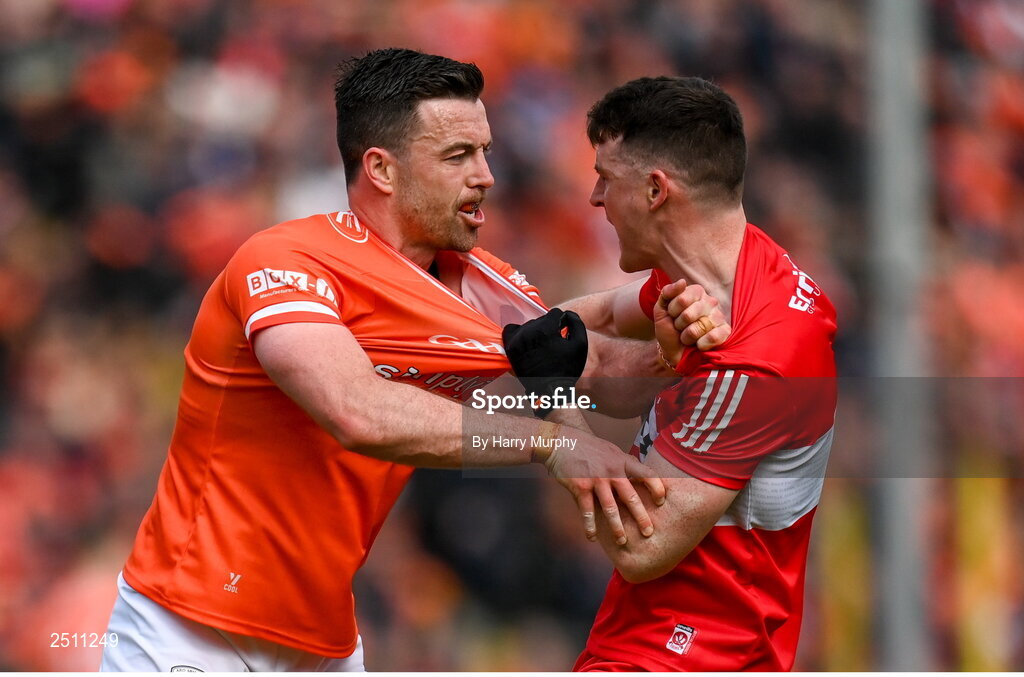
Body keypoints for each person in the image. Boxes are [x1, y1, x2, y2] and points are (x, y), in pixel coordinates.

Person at [98, 49, 722, 672]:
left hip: (326, 644)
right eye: (457, 157)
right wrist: (550, 443)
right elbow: (354, 409)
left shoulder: (485, 285)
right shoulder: (287, 261)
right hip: (188, 627)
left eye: (484, 151)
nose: (486, 176)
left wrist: (678, 341)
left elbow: (590, 362)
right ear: (381, 170)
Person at [563, 76, 838, 671]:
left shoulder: (758, 361)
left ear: (657, 190)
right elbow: (604, 317)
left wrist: (558, 425)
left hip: (687, 653)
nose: (594, 198)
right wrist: (530, 335)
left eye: (606, 178)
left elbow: (641, 545)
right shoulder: (727, 270)